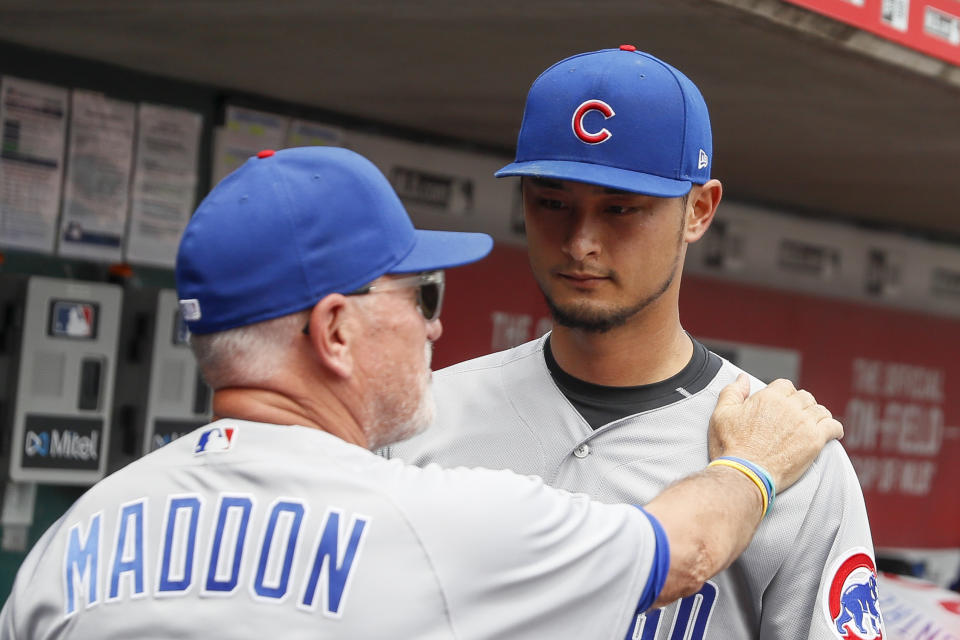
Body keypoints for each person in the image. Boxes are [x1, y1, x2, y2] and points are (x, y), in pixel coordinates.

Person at [0, 146, 840, 639]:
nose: (435, 329)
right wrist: (756, 467)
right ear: (334, 331)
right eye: (419, 297)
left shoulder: (77, 537)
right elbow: (682, 553)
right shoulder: (432, 522)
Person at [385, 46, 882, 639]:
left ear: (699, 210)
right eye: (551, 203)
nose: (581, 242)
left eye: (620, 207)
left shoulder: (787, 453)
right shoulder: (418, 421)